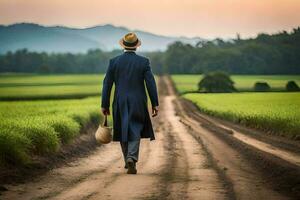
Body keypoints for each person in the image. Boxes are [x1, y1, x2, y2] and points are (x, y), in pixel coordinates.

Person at [101, 32, 159, 174]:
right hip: (138, 101)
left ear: (123, 45)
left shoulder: (114, 62)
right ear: (136, 46)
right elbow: (150, 83)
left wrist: (105, 104)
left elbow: (107, 84)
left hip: (119, 101)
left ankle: (128, 157)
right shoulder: (144, 62)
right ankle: (131, 158)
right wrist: (154, 103)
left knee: (122, 129)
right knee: (135, 129)